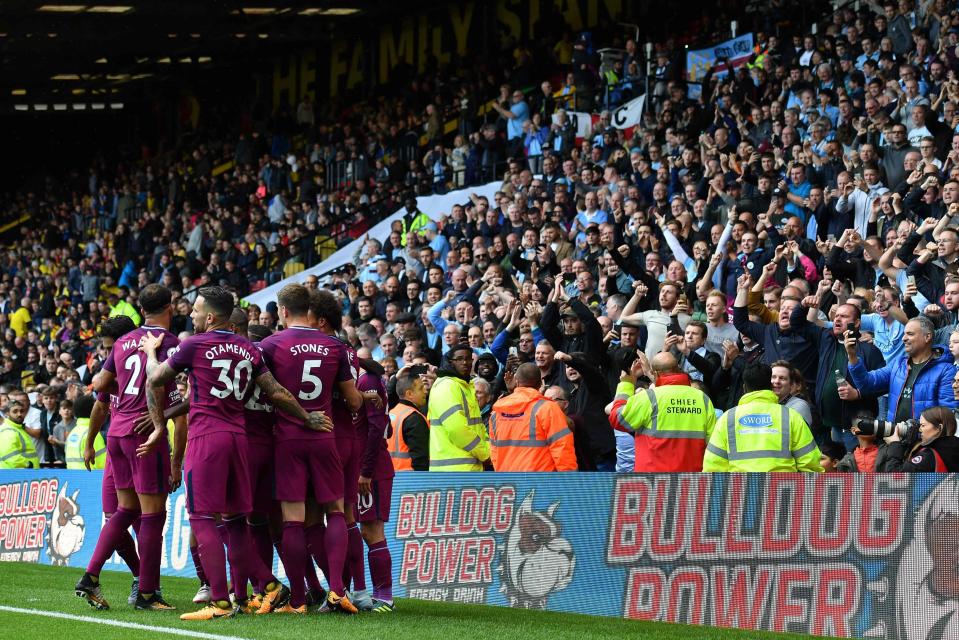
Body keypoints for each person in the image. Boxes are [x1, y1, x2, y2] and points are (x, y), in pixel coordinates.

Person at [144, 286, 324, 619]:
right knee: (236, 521)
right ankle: (268, 585)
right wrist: (306, 415)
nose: (193, 315)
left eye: (196, 311)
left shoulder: (194, 344)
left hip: (206, 440)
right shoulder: (248, 348)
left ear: (210, 317)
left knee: (201, 519)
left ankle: (220, 601)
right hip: (239, 439)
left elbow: (155, 378)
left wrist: (152, 351)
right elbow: (276, 392)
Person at [76, 284, 184, 612]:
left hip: (117, 434)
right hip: (143, 433)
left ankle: (90, 576)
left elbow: (102, 386)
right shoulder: (170, 343)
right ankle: (148, 594)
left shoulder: (123, 341)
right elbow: (162, 386)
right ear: (170, 306)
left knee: (125, 511)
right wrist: (158, 417)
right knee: (153, 515)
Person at [258, 284, 363, 615]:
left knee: (293, 520)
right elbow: (353, 399)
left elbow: (265, 392)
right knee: (335, 511)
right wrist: (366, 397)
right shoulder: (335, 346)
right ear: (311, 310)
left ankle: (301, 600)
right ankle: (337, 591)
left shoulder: (270, 345)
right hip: (325, 436)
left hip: (287, 439)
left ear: (284, 311)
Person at [703, 362, 823, 472]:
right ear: (771, 387)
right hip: (783, 492)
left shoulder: (727, 418)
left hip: (741, 492)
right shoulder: (791, 416)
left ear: (744, 388)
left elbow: (713, 467)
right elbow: (810, 465)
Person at [608, 352, 716, 472]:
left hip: (655, 482)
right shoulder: (702, 399)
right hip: (690, 483)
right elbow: (712, 444)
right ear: (679, 368)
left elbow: (617, 419)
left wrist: (626, 384)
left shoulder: (649, 398)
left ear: (656, 373)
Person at [847, 316, 958, 422]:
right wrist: (852, 356)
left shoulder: (946, 370)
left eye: (910, 334)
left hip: (925, 440)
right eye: (904, 334)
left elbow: (947, 416)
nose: (904, 338)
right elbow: (867, 383)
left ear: (927, 337)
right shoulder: (898, 364)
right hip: (895, 438)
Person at [354, 359, 395, 612]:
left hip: (372, 469)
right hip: (361, 467)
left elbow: (377, 427)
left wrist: (366, 471)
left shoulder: (367, 380)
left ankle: (385, 597)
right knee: (364, 529)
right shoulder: (362, 382)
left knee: (371, 530)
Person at [489, 363, 576, 471]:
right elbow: (562, 448)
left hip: (510, 482)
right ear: (540, 384)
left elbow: (494, 453)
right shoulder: (548, 409)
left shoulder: (497, 412)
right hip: (541, 482)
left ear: (516, 381)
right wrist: (569, 480)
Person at [428, 343, 489, 471]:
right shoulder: (447, 386)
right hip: (454, 471)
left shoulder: (465, 386)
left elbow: (478, 426)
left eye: (468, 358)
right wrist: (486, 454)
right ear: (451, 362)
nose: (465, 362)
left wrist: (488, 450)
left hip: (468, 468)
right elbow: (457, 429)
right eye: (460, 359)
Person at [878, 406, 959, 471]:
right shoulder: (953, 448)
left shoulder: (929, 456)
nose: (920, 430)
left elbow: (894, 475)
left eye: (923, 425)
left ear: (939, 428)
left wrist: (894, 444)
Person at [388, 373, 429, 471]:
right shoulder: (414, 418)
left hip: (391, 475)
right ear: (409, 394)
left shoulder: (392, 413)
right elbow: (420, 458)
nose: (425, 391)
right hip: (410, 479)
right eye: (421, 388)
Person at [64, 394, 104, 470]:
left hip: (73, 479)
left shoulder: (72, 433)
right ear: (93, 410)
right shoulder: (93, 434)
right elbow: (102, 464)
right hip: (91, 479)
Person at [0, 400, 36, 468]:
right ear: (7, 414)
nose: (19, 414)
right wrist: (28, 465)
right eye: (15, 411)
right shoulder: (8, 430)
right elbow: (11, 457)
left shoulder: (18, 428)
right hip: (16, 475)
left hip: (23, 474)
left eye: (21, 411)